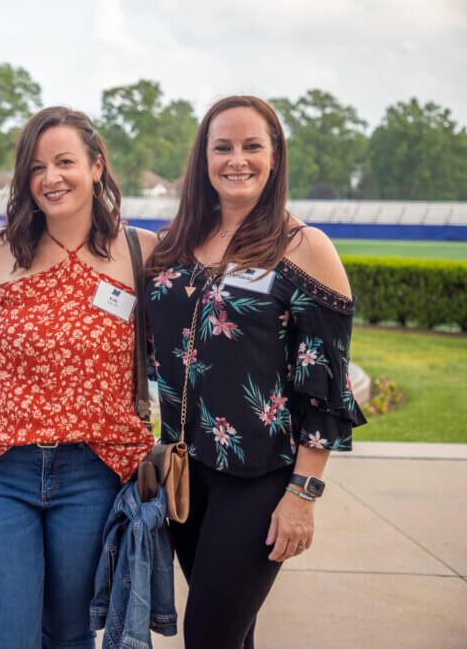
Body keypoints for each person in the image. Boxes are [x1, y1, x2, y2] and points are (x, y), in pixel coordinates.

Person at [144, 95, 367, 648]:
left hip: (260, 480)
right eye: (222, 147)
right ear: (204, 159)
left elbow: (325, 387)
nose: (236, 160)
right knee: (232, 636)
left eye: (251, 147)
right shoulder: (175, 245)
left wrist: (303, 493)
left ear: (274, 157)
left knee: (209, 636)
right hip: (184, 475)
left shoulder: (305, 248)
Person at [0, 106, 157, 648]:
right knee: (7, 640)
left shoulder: (142, 253)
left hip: (95, 471)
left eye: (65, 161)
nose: (51, 178)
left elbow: (194, 351)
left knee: (70, 637)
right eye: (36, 167)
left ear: (97, 166)